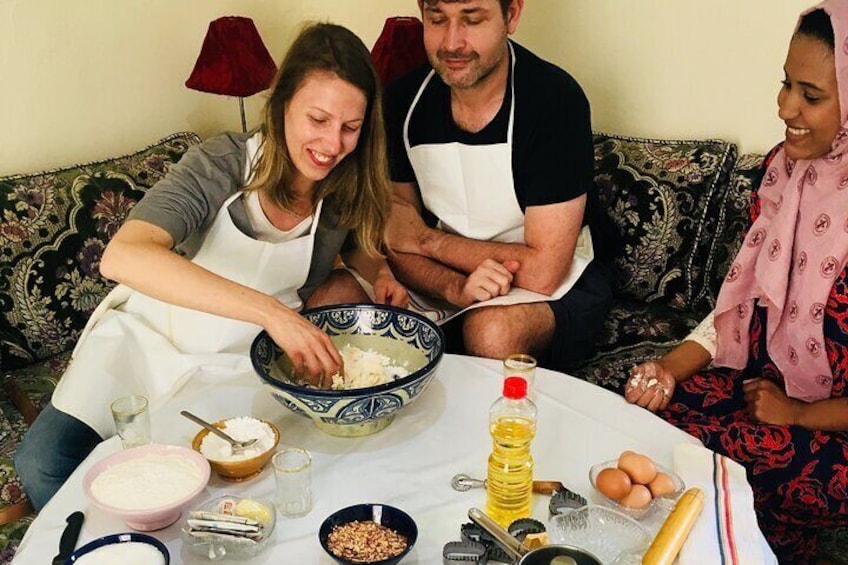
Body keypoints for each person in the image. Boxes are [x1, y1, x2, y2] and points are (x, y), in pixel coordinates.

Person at [14, 22, 407, 510]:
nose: (333, 143)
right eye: (318, 119)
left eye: (351, 127)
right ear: (283, 103)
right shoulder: (219, 164)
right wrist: (272, 312)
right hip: (146, 342)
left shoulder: (344, 186)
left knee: (222, 489)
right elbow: (124, 255)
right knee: (44, 462)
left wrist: (381, 273)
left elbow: (358, 249)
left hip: (242, 362)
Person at [625, 3, 848, 562]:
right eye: (785, 84)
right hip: (767, 388)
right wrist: (666, 371)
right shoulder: (784, 170)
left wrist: (796, 415)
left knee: (710, 452)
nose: (785, 108)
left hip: (828, 423)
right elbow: (743, 301)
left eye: (811, 96)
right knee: (641, 414)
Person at [381, 0, 612, 370]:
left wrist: (429, 241)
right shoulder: (401, 101)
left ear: (512, 15)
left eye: (472, 20)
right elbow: (396, 239)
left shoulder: (554, 101)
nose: (453, 43)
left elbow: (543, 272)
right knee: (344, 301)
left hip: (558, 284)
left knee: (491, 333)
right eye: (437, 20)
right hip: (448, 275)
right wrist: (452, 287)